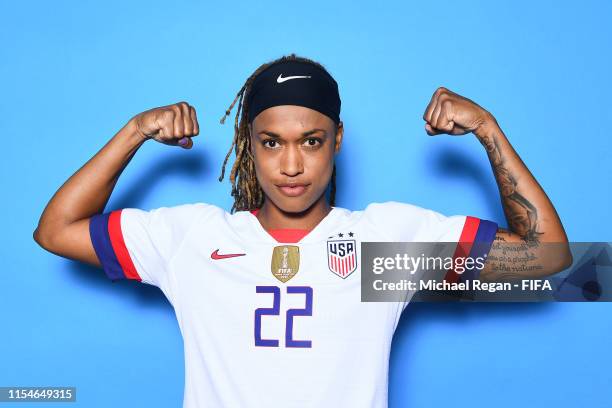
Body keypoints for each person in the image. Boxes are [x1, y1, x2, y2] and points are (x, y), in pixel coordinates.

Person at [33, 53, 572, 407]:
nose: (292, 165)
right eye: (272, 142)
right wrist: (134, 131)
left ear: (337, 140)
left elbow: (549, 260)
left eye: (311, 141)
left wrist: (487, 129)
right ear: (248, 144)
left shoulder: (382, 247)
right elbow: (56, 231)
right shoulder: (193, 241)